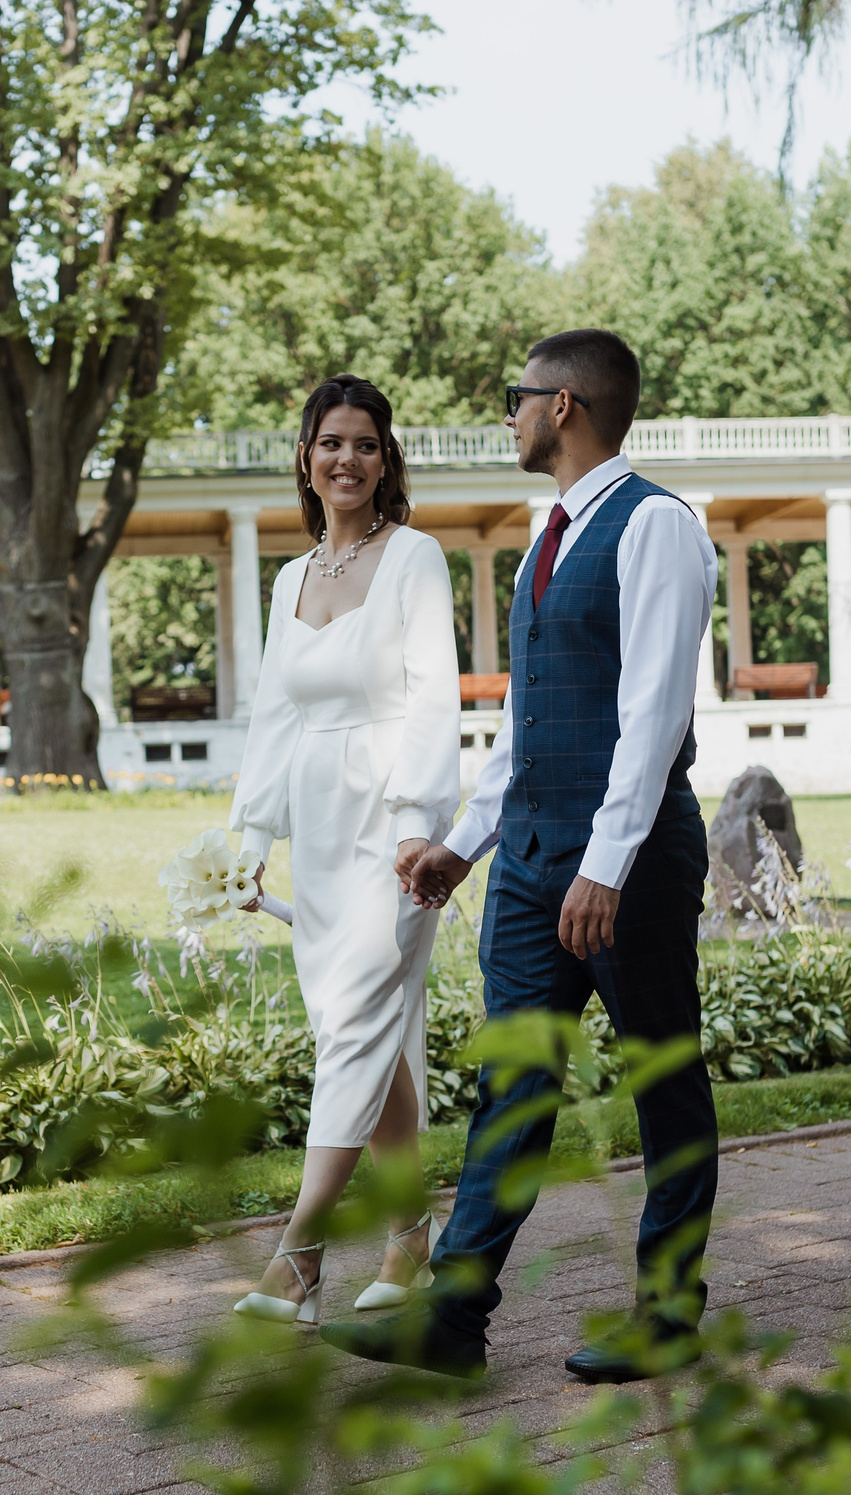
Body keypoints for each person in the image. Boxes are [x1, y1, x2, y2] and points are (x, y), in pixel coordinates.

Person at [325, 329, 721, 1383]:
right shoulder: (550, 533)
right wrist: (462, 845)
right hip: (531, 860)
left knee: (661, 1081)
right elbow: (530, 722)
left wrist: (606, 864)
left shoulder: (657, 528)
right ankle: (454, 1318)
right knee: (514, 1085)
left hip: (621, 862)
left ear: (567, 409)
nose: (509, 415)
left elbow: (650, 714)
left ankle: (669, 1316)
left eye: (519, 397)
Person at [226, 374, 464, 1325]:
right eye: (331, 443)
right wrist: (248, 843)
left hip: (391, 827)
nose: (347, 460)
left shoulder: (415, 558)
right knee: (360, 1034)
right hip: (320, 833)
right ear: (306, 457)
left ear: (386, 457)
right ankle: (410, 1241)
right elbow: (273, 718)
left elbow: (435, 695)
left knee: (358, 1022)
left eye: (365, 444)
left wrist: (419, 823)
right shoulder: (291, 579)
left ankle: (299, 1256)